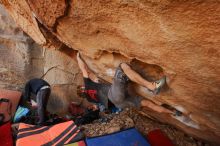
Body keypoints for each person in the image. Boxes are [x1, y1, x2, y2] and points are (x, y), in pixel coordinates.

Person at [76, 52, 178, 115]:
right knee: (122, 67)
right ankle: (151, 86)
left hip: (119, 104)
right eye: (82, 86)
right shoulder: (87, 84)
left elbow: (100, 103)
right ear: (82, 88)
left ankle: (174, 112)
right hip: (113, 95)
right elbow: (83, 69)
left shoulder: (89, 99)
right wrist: (78, 57)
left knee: (147, 104)